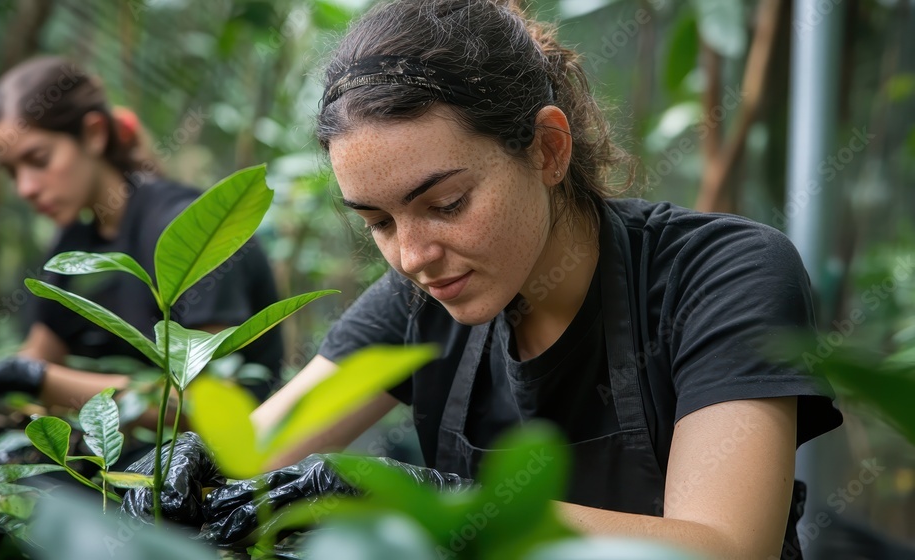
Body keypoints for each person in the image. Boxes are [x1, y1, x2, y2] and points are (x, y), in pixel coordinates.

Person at [126, 1, 843, 558]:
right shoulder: (419, 304)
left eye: (445, 205)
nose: (412, 255)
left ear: (549, 150)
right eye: (378, 222)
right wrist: (192, 464)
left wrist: (437, 503)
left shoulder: (722, 275)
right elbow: (257, 448)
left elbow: (723, 548)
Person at [0, 56, 284, 419]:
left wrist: (33, 380)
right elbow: (40, 355)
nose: (25, 188)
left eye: (39, 159)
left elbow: (208, 404)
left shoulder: (186, 229)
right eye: (13, 172)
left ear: (93, 134)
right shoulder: (75, 243)